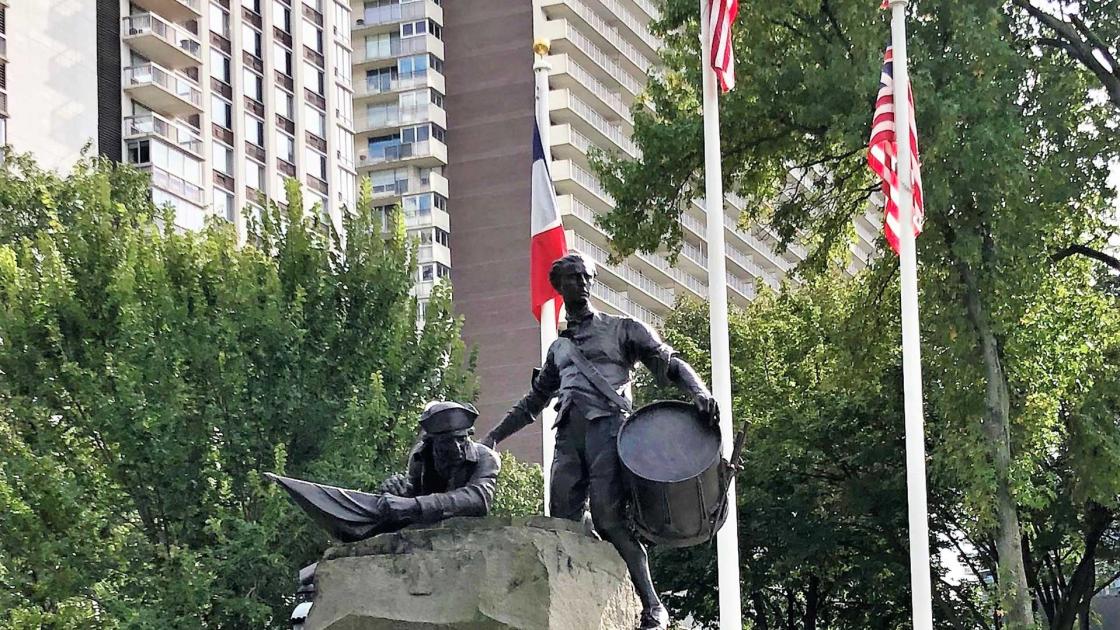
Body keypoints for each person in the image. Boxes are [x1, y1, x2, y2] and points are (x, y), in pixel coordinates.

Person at [482, 252, 718, 630]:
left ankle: (654, 606)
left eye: (587, 277)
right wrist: (494, 436)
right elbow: (533, 403)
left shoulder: (623, 328)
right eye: (574, 278)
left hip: (609, 431)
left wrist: (699, 390)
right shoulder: (558, 349)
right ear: (560, 287)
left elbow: (668, 361)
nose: (583, 283)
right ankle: (572, 604)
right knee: (562, 522)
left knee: (610, 519)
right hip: (568, 436)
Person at [268, 401, 500, 542]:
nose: (459, 447)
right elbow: (411, 495)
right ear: (434, 443)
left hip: (462, 533)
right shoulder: (421, 456)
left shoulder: (486, 458)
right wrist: (399, 492)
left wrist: (412, 504)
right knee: (372, 508)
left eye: (463, 439)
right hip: (425, 529)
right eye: (450, 442)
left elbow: (478, 499)